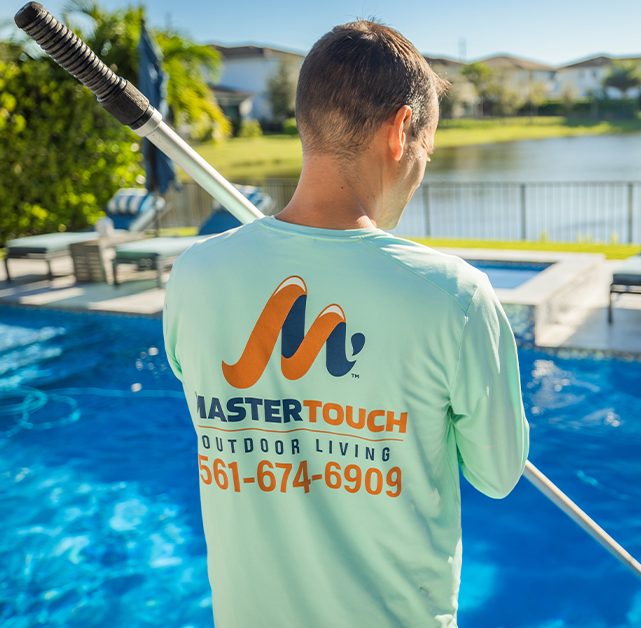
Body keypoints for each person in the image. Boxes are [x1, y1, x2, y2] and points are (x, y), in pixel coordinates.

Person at [163, 21, 530, 627]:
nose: (420, 170)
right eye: (427, 150)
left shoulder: (195, 274)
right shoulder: (453, 296)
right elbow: (496, 475)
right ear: (400, 131)